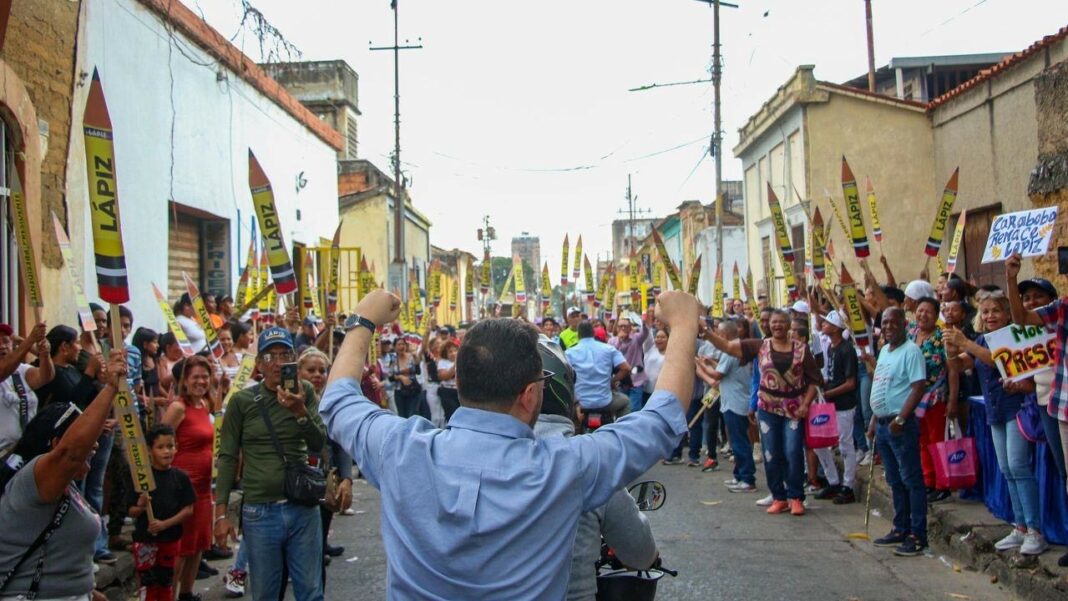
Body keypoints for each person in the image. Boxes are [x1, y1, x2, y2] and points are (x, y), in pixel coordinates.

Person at [319, 289, 699, 599]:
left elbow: (337, 401)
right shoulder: (566, 467)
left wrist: (363, 319)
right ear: (530, 394)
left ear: (462, 383)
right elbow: (663, 418)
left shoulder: (400, 448)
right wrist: (683, 324)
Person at [531, 335, 657, 600]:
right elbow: (641, 553)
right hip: (607, 402)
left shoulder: (455, 459)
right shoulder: (591, 463)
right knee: (626, 405)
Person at [0, 349, 126, 601]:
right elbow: (71, 453)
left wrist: (88, 592)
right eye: (89, 439)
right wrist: (111, 387)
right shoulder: (32, 479)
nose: (95, 445)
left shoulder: (67, 487)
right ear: (56, 442)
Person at [213, 328, 328, 601]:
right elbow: (228, 456)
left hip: (302, 506)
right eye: (270, 356)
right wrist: (221, 514)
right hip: (259, 511)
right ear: (259, 364)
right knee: (265, 593)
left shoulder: (306, 392)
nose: (277, 363)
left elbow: (318, 442)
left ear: (293, 360)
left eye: (284, 355)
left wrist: (300, 412)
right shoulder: (242, 402)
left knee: (311, 591)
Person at [944, 290, 1047, 556]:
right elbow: (957, 366)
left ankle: (1035, 530)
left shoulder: (1014, 336)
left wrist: (966, 343)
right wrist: (951, 346)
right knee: (1006, 469)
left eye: (996, 311)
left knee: (1019, 466)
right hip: (995, 411)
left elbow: (998, 360)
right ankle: (1020, 526)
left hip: (1017, 410)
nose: (990, 316)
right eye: (986, 311)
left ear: (1007, 314)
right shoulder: (979, 340)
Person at [706, 309, 821, 516]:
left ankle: (795, 497)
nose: (777, 326)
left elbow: (814, 380)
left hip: (793, 409)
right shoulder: (760, 346)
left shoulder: (802, 350)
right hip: (767, 409)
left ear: (788, 326)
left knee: (793, 452)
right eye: (774, 322)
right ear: (769, 325)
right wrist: (707, 334)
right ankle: (779, 497)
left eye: (782, 322)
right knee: (770, 453)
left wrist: (806, 404)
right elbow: (728, 347)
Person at [1004, 253, 1068, 566]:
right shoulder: (1063, 309)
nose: (1031, 302)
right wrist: (1011, 279)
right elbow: (1021, 320)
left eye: (1035, 297)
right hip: (1061, 406)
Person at [868, 307, 931, 557]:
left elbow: (918, 388)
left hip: (900, 426)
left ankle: (918, 535)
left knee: (911, 480)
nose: (888, 327)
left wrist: (902, 418)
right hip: (882, 425)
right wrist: (874, 419)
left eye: (894, 322)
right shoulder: (884, 350)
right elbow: (881, 386)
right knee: (894, 480)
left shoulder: (911, 352)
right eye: (885, 323)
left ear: (905, 324)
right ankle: (900, 527)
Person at [161, 355, 218, 601]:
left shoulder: (204, 405)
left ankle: (186, 593)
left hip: (204, 487)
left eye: (205, 377)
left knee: (198, 545)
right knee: (181, 548)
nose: (201, 382)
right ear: (184, 381)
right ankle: (168, 595)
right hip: (182, 487)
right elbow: (160, 440)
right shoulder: (178, 408)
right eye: (196, 377)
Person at [127, 424, 196, 601]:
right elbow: (131, 512)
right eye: (160, 447)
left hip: (170, 539)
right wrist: (141, 506)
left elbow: (188, 509)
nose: (167, 452)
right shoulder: (141, 479)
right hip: (145, 540)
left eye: (170, 446)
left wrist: (165, 524)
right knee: (148, 584)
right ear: (150, 450)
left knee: (166, 582)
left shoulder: (180, 477)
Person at [907, 296, 958, 504]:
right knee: (921, 441)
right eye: (920, 310)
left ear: (936, 315)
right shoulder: (910, 334)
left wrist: (953, 400)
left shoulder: (942, 337)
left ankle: (942, 484)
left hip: (935, 398)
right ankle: (928, 481)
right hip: (913, 399)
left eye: (928, 311)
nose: (923, 315)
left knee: (937, 441)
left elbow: (953, 371)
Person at [697, 320, 755, 493]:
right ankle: (739, 475)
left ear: (726, 335)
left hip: (736, 402)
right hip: (732, 400)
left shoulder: (731, 350)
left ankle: (747, 478)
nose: (718, 339)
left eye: (720, 335)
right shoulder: (734, 350)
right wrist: (710, 362)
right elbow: (724, 369)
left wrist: (700, 366)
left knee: (739, 442)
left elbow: (717, 374)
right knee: (736, 441)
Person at [812, 310, 860, 504]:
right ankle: (833, 481)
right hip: (829, 403)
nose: (823, 324)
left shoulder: (846, 349)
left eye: (828, 322)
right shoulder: (831, 348)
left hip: (844, 404)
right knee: (819, 443)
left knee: (845, 443)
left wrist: (828, 394)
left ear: (837, 327)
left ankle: (848, 486)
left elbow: (850, 383)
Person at [565, 321, 631, 425]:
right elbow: (626, 368)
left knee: (570, 419)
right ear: (593, 333)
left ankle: (574, 433)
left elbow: (566, 378)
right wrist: (612, 381)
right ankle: (621, 430)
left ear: (578, 335)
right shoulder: (608, 349)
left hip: (581, 404)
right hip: (605, 402)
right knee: (625, 401)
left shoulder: (569, 353)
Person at [0, 323, 52, 451]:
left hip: (26, 450)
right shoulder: (5, 370)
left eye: (6, 341)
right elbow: (3, 370)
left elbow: (45, 377)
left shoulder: (21, 370)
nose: (2, 346)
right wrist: (30, 340)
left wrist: (45, 355)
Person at [609, 314, 649, 413]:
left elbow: (646, 332)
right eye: (620, 326)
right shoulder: (612, 341)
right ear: (617, 328)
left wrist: (644, 321)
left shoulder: (637, 338)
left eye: (625, 326)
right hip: (620, 383)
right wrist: (619, 341)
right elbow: (611, 358)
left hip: (636, 382)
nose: (623, 328)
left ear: (630, 327)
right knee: (622, 412)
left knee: (634, 411)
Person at [389, 337, 423, 419]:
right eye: (399, 344)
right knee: (402, 416)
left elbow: (418, 371)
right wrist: (400, 377)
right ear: (395, 347)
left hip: (413, 390)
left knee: (412, 414)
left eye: (403, 344)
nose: (401, 346)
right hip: (399, 392)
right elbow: (390, 377)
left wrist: (415, 356)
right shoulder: (393, 360)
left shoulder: (411, 357)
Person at [436, 341, 460, 423]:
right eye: (450, 352)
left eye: (455, 350)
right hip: (447, 391)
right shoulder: (442, 362)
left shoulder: (463, 361)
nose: (453, 353)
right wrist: (455, 364)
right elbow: (445, 377)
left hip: (459, 391)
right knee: (451, 415)